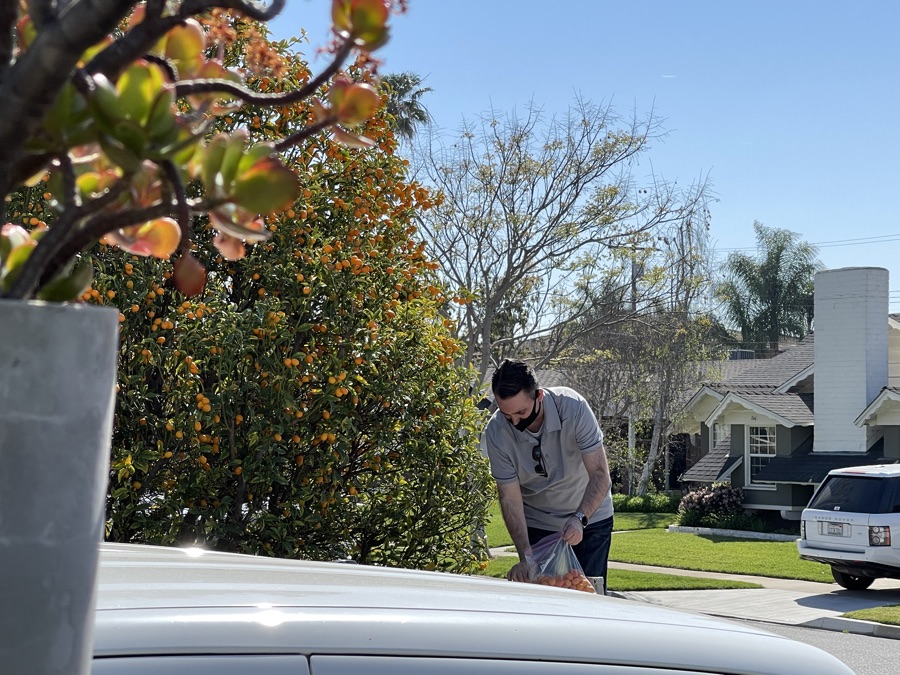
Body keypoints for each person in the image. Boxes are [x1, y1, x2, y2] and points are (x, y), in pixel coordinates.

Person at [482, 359, 614, 592]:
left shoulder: (573, 407)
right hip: (539, 524)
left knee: (588, 597)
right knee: (545, 597)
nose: (515, 422)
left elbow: (600, 474)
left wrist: (580, 518)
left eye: (521, 412)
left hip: (590, 519)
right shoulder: (496, 432)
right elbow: (510, 499)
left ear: (539, 396)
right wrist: (527, 558)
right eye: (507, 415)